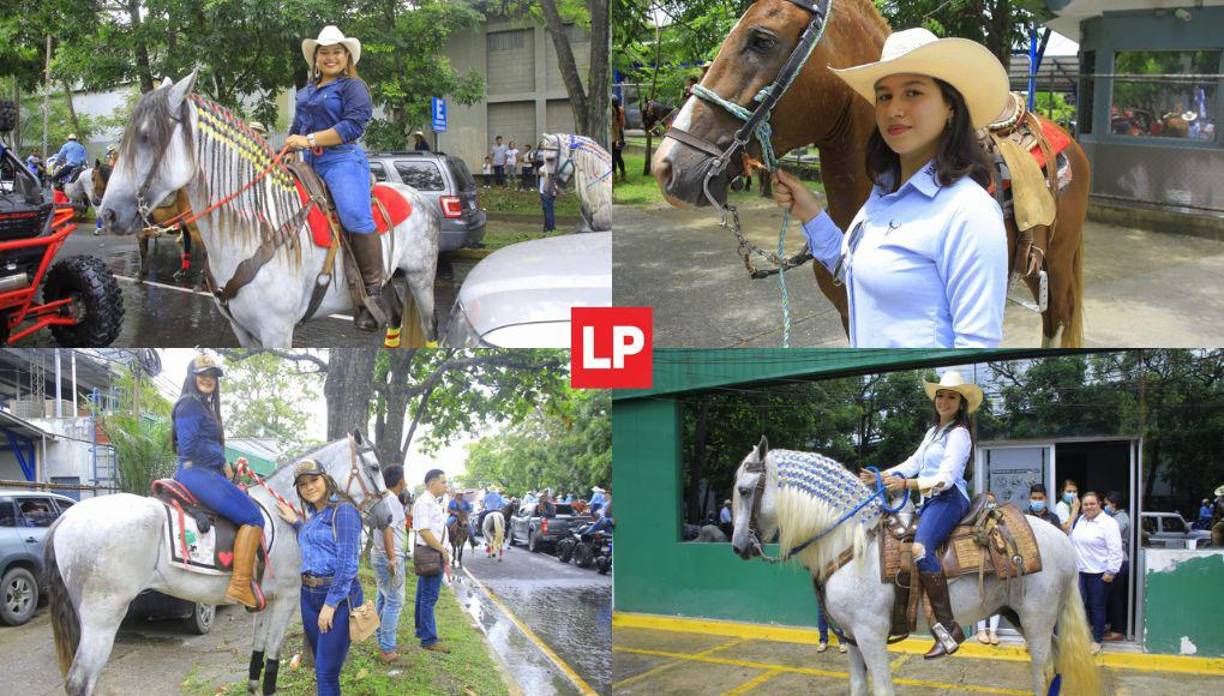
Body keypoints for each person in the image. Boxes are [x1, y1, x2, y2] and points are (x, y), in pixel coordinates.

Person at [770, 28, 1009, 348]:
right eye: (884, 96)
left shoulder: (969, 213)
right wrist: (811, 213)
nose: (894, 109)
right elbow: (858, 270)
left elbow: (976, 351)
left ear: (950, 106)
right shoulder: (883, 193)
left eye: (913, 93)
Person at [862, 369, 981, 658]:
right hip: (931, 501)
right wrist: (880, 477)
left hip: (949, 499)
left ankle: (948, 627)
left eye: (951, 397)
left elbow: (947, 477)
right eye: (941, 395)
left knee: (919, 549)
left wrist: (906, 484)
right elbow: (913, 461)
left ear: (961, 403)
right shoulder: (933, 432)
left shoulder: (960, 434)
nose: (944, 401)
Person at [286, 26, 386, 332]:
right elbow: (297, 125)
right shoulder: (307, 91)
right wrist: (290, 146)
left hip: (342, 160)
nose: (330, 57)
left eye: (336, 52)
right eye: (324, 52)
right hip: (309, 162)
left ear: (347, 57)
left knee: (355, 217)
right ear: (316, 58)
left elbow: (353, 126)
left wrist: (310, 139)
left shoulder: (353, 87)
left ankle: (373, 291)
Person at [171, 354, 265, 610]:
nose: (208, 379)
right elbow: (189, 448)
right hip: (196, 473)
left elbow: (205, 446)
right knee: (255, 517)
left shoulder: (203, 406)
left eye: (212, 375)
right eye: (202, 374)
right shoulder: (189, 404)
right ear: (192, 377)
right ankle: (239, 585)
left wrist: (230, 466)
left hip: (204, 472)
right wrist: (221, 461)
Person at [275, 460, 362, 695]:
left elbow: (348, 563)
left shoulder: (343, 511)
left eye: (314, 480)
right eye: (303, 484)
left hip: (336, 596)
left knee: (326, 673)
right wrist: (296, 522)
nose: (309, 486)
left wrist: (331, 604)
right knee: (322, 667)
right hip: (309, 596)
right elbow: (312, 538)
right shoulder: (314, 514)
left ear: (326, 479)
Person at [1070, 491, 1122, 654]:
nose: (1089, 507)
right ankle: (1082, 636)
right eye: (1085, 504)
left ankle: (1097, 639)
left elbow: (1115, 549)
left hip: (1099, 573)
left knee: (1097, 607)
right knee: (1080, 606)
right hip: (1080, 571)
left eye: (1092, 503)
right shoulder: (1080, 520)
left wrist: (1111, 571)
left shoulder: (1108, 523)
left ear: (1099, 504)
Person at [371, 465, 409, 664]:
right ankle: (387, 649)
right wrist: (393, 557)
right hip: (389, 557)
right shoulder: (392, 500)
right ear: (400, 481)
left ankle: (381, 641)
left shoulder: (383, 498)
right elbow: (388, 529)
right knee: (394, 601)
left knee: (383, 598)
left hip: (380, 555)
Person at [413, 469, 452, 652]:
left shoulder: (432, 502)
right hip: (432, 554)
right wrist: (442, 549)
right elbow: (424, 531)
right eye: (443, 482)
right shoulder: (425, 503)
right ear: (432, 483)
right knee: (429, 597)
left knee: (424, 595)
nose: (446, 486)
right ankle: (429, 639)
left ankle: (423, 631)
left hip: (432, 552)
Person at [1103, 491, 1130, 641]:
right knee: (1113, 596)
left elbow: (1109, 538)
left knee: (1115, 597)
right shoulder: (1116, 517)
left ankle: (1117, 630)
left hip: (1119, 561)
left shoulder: (1120, 519)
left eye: (1106, 503)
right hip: (1118, 561)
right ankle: (1113, 626)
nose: (1105, 506)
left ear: (1113, 503)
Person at [975, 492, 1001, 646]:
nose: (990, 505)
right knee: (981, 597)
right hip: (980, 563)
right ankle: (980, 631)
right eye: (987, 502)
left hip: (996, 562)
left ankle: (993, 632)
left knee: (996, 599)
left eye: (992, 502)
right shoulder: (975, 520)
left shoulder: (1000, 520)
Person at [611, 96, 627, 183]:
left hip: (618, 135)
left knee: (616, 157)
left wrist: (618, 139)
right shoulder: (617, 110)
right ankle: (617, 175)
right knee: (616, 157)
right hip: (615, 135)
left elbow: (617, 125)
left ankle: (619, 175)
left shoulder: (617, 111)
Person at [539, 163, 558, 234]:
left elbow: (540, 172)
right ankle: (547, 227)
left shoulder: (546, 166)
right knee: (549, 210)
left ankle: (550, 229)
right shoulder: (555, 167)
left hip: (545, 192)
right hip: (551, 192)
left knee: (548, 211)